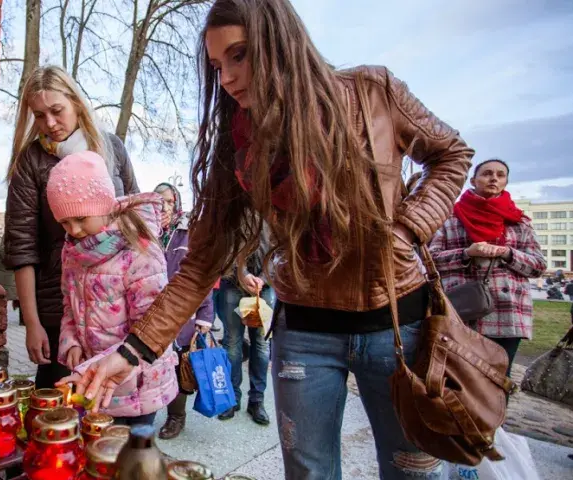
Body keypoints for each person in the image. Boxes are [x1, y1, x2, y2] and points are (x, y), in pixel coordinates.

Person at [58, 1, 474, 478]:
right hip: (305, 332)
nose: (229, 78)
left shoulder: (371, 91)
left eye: (241, 55)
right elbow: (201, 262)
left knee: (414, 471)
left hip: (396, 323)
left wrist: (409, 227)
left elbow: (452, 154)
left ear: (281, 42)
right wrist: (131, 353)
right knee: (308, 471)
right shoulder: (237, 141)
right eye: (218, 66)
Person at [4, 66, 139, 389]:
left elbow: (133, 217)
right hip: (60, 307)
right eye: (39, 116)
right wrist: (32, 323)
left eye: (56, 111)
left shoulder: (112, 148)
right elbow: (23, 247)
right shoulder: (32, 161)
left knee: (112, 406)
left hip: (116, 302)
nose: (49, 123)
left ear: (76, 102)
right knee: (59, 408)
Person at [51, 152, 177, 426]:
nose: (74, 229)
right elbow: (69, 305)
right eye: (64, 222)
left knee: (126, 461)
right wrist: (70, 341)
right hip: (91, 379)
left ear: (104, 205)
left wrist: (92, 369)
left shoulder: (139, 250)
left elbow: (152, 327)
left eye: (81, 218)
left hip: (135, 387)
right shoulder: (73, 250)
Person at [430, 159, 546, 377]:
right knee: (459, 377)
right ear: (473, 180)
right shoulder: (450, 218)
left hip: (507, 313)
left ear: (506, 182)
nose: (494, 178)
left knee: (499, 380)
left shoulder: (519, 221)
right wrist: (466, 253)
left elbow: (538, 265)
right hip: (463, 310)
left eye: (500, 175)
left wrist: (507, 253)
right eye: (487, 173)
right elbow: (431, 260)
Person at [153, 183, 214, 439]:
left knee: (178, 367)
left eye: (168, 201)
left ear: (176, 203)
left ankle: (176, 417)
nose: (163, 207)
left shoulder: (189, 234)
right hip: (150, 313)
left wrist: (205, 317)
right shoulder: (146, 232)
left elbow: (202, 275)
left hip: (181, 314)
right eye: (158, 201)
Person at [216, 226, 274, 425]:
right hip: (233, 282)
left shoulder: (275, 207)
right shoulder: (232, 204)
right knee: (232, 343)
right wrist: (241, 273)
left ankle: (257, 400)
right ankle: (232, 398)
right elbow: (223, 245)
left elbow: (281, 250)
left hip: (265, 286)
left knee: (262, 344)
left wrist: (263, 279)